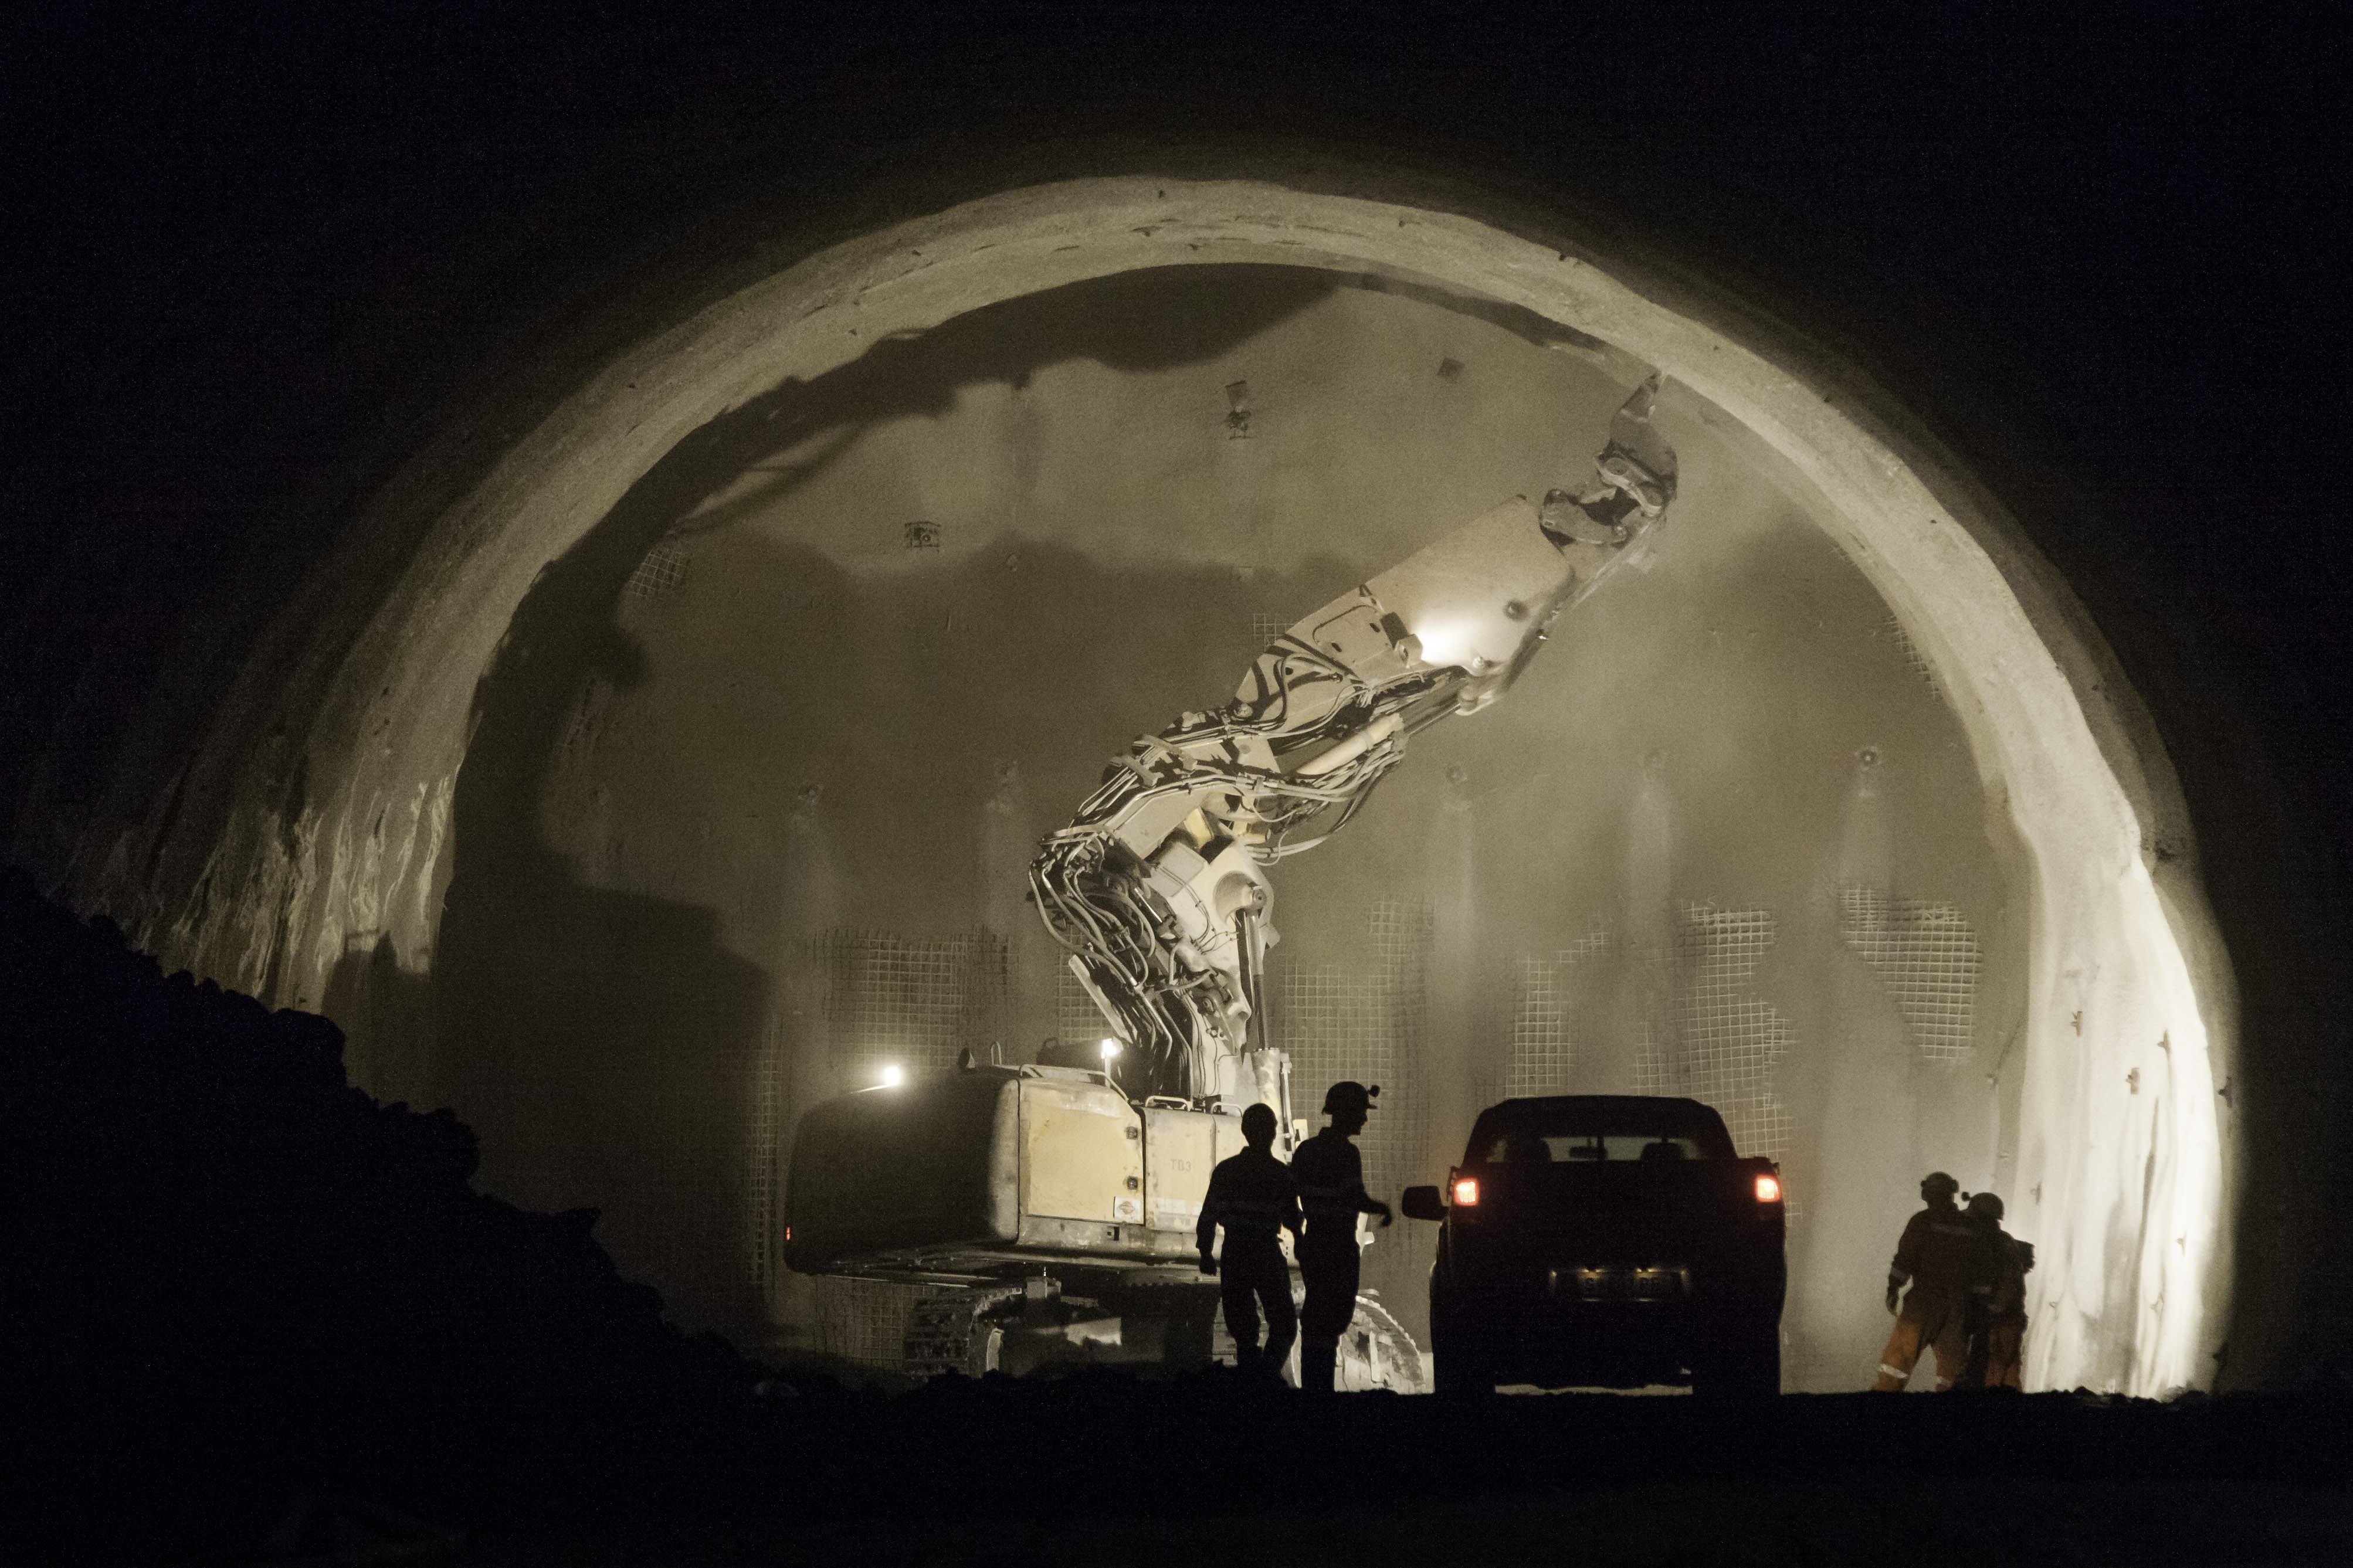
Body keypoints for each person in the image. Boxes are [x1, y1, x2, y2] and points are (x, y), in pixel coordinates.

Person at [1290, 1081, 1394, 1394]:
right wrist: (1383, 1209)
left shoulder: (1306, 1151)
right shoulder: (1347, 1154)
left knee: (1318, 1316)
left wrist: (1298, 1235)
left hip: (1315, 1243)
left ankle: (1315, 1389)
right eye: (1361, 1111)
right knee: (1333, 1317)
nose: (1364, 1118)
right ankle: (1320, 1392)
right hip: (1338, 1247)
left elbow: (1288, 1197)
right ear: (1346, 1112)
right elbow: (1355, 1198)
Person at [1196, 1102, 1301, 1380]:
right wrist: (1302, 1242)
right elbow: (1293, 1219)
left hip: (1236, 1253)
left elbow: (1208, 1216)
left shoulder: (1226, 1171)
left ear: (1245, 1131)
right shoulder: (1281, 1174)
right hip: (1267, 1251)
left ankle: (1251, 1381)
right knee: (1285, 1326)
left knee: (1243, 1330)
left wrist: (1206, 1253)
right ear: (1273, 1133)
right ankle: (1265, 1378)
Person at [1870, 1171, 1992, 1391]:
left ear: (1928, 1194)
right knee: (1951, 1373)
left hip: (1923, 1303)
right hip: (1956, 1307)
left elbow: (1905, 1258)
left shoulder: (1922, 1221)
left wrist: (1893, 1287)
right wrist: (1977, 1307)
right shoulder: (1970, 1227)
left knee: (1896, 1363)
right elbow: (1981, 1270)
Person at [1959, 1191, 2034, 1390]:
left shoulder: (1995, 1244)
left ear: (1981, 1217)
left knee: (1992, 1376)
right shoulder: (2001, 1241)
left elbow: (2004, 1287)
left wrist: (1985, 1312)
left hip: (1998, 1322)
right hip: (2003, 1320)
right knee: (2003, 1377)